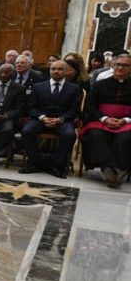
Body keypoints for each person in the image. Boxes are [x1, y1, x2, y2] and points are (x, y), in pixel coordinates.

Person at [19, 60, 81, 178]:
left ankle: (57, 166)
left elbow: (74, 110)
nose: (56, 71)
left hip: (63, 121)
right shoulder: (38, 87)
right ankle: (35, 162)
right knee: (27, 131)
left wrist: (61, 119)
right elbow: (31, 107)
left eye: (60, 69)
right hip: (40, 119)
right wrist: (42, 118)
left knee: (69, 135)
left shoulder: (74, 88)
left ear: (66, 71)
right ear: (49, 70)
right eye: (53, 69)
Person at [80, 53, 131, 187]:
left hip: (127, 123)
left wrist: (125, 120)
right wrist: (105, 118)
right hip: (101, 120)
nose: (120, 68)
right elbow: (90, 106)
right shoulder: (99, 84)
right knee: (96, 135)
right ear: (112, 66)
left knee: (124, 138)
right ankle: (110, 168)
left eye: (125, 65)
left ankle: (117, 169)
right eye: (118, 64)